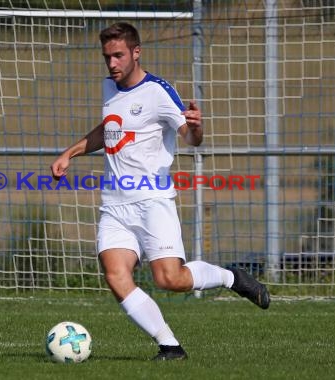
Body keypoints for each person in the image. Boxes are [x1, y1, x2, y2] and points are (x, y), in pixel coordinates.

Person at [50, 22, 270, 361]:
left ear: (136, 52)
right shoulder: (109, 87)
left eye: (119, 56)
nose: (112, 64)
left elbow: (191, 138)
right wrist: (70, 153)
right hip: (115, 205)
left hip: (153, 202)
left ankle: (231, 278)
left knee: (171, 279)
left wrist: (197, 127)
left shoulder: (158, 92)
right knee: (115, 274)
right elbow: (108, 128)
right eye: (107, 57)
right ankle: (170, 346)